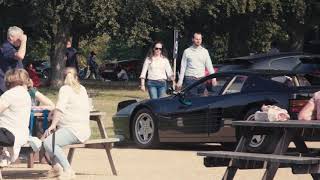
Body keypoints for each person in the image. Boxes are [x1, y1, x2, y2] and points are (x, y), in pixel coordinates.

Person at [32, 67, 90, 179]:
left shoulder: (65, 89)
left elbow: (60, 110)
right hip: (83, 130)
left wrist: (53, 125)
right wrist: (53, 111)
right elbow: (66, 107)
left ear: (63, 78)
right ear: (77, 77)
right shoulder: (82, 88)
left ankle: (68, 170)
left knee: (48, 143)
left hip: (72, 130)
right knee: (49, 140)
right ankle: (57, 167)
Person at [0, 69, 31, 167]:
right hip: (21, 135)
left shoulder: (9, 94)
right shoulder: (26, 94)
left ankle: (3, 157)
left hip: (9, 134)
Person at [0, 26, 27, 94]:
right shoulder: (6, 47)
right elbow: (20, 56)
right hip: (7, 87)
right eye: (19, 37)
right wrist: (24, 41)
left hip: (13, 85)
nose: (20, 39)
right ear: (11, 37)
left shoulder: (12, 48)